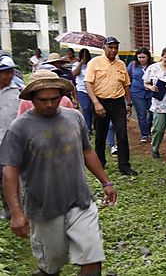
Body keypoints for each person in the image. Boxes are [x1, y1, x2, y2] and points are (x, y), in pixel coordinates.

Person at [0, 70, 117, 275]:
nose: (49, 104)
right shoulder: (20, 128)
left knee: (93, 259)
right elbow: (10, 170)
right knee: (51, 266)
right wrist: (17, 213)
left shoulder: (74, 118)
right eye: (43, 100)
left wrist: (106, 183)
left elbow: (87, 152)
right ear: (31, 98)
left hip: (80, 201)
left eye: (55, 99)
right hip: (44, 208)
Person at [84, 36, 137, 176]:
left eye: (115, 48)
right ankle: (100, 163)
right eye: (110, 47)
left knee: (122, 135)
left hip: (118, 102)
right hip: (101, 101)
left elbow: (126, 85)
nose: (113, 50)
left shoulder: (121, 64)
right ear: (104, 47)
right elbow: (88, 83)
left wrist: (129, 103)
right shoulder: (94, 63)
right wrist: (96, 103)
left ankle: (124, 166)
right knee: (100, 135)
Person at [0, 56, 21, 220]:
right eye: (5, 72)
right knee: (3, 177)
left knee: (18, 176)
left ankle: (23, 208)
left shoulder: (19, 90)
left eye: (11, 71)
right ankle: (8, 208)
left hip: (15, 141)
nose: (9, 76)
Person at [128, 48, 153, 144]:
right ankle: (144, 134)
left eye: (144, 57)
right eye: (139, 57)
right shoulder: (133, 65)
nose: (141, 59)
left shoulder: (152, 66)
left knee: (151, 112)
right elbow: (127, 78)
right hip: (137, 93)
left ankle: (149, 129)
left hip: (150, 92)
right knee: (141, 114)